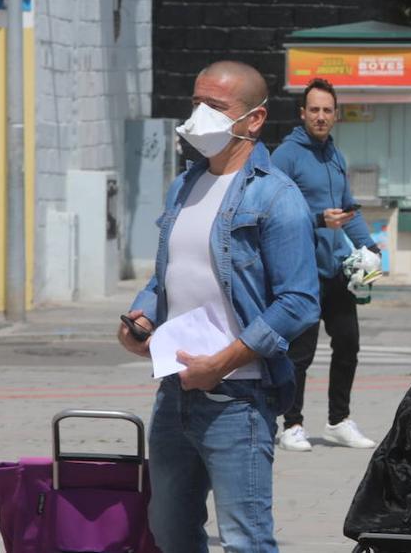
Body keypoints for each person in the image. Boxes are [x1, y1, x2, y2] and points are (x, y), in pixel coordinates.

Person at [118, 61, 321, 552]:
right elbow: (166, 273)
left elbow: (299, 302)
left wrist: (223, 363)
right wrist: (142, 315)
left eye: (215, 107)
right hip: (175, 392)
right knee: (169, 530)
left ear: (253, 120)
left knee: (245, 540)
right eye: (195, 103)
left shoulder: (276, 196)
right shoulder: (184, 185)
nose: (199, 116)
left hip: (238, 400)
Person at [270, 78, 380, 451]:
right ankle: (292, 424)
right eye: (313, 110)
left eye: (327, 110)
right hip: (301, 271)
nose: (320, 116)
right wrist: (317, 220)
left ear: (335, 115)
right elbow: (271, 211)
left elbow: (348, 211)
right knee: (299, 353)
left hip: (336, 270)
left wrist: (372, 248)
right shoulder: (286, 155)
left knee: (348, 344)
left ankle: (338, 421)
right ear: (302, 113)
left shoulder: (336, 155)